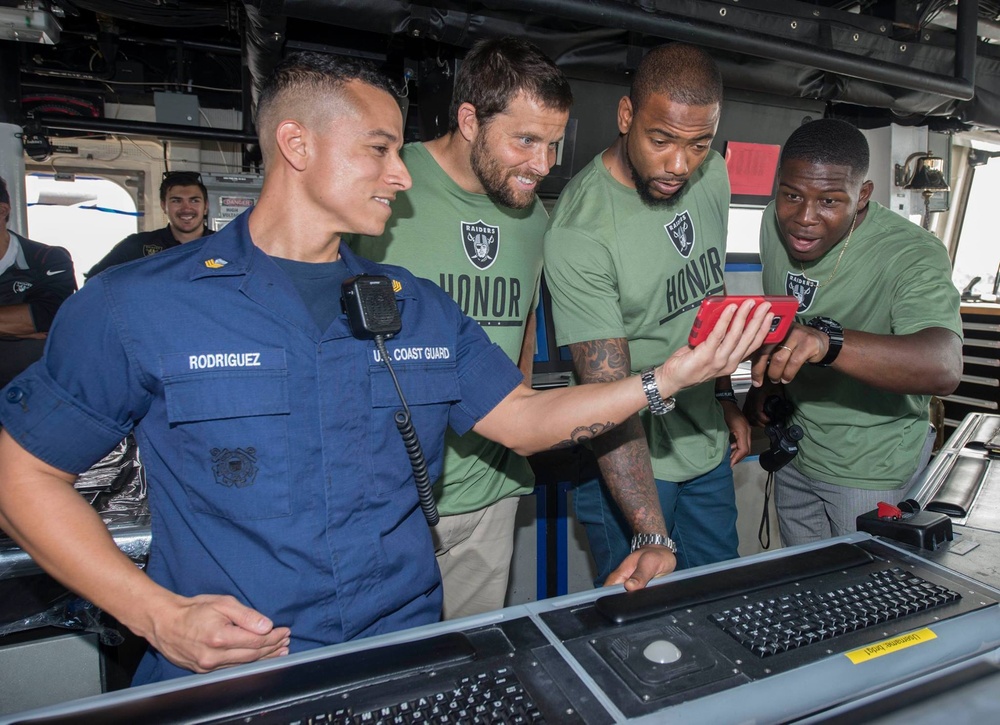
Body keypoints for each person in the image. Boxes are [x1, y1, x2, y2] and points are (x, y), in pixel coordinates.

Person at [0, 51, 774, 685]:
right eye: (378, 149)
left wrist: (668, 376)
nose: (401, 174)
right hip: (228, 668)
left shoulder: (418, 308)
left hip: (401, 655)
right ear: (297, 146)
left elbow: (528, 421)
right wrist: (155, 615)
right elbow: (20, 477)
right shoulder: (137, 306)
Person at [352, 37, 572, 619]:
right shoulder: (388, 188)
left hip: (490, 492)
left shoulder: (533, 216)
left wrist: (518, 408)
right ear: (470, 119)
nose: (542, 165)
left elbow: (524, 323)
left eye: (553, 144)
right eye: (525, 140)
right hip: (388, 498)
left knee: (471, 670)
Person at [543, 43, 748, 585]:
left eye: (698, 143)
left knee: (719, 602)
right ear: (626, 116)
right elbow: (607, 393)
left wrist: (724, 399)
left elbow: (710, 298)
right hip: (631, 463)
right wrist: (651, 534)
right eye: (661, 141)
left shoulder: (715, 176)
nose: (679, 165)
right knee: (646, 629)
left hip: (704, 446)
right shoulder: (580, 231)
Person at [744, 118, 962, 545]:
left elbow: (944, 365)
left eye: (829, 201)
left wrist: (828, 342)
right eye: (791, 195)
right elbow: (786, 323)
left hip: (871, 468)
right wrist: (767, 387)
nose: (804, 219)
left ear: (862, 196)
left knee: (867, 603)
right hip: (797, 453)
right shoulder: (774, 220)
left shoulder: (911, 252)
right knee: (806, 592)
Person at [0, 175, 76, 389]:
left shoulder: (47, 259)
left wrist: (32, 322)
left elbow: (47, 317)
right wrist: (17, 326)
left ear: (2, 210)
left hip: (31, 393)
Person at [85, 170, 210, 279]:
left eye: (194, 200)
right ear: (163, 206)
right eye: (176, 201)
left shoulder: (225, 245)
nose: (186, 208)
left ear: (206, 206)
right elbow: (95, 281)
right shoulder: (137, 246)